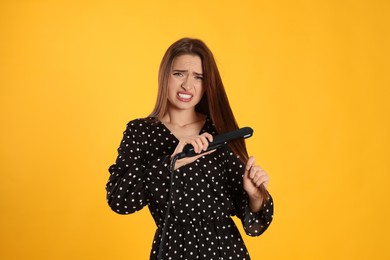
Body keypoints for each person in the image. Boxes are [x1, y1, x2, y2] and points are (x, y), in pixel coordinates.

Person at [106, 38, 274, 259]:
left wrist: (255, 195)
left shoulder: (220, 131)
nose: (187, 85)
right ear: (164, 75)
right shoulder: (141, 132)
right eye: (179, 74)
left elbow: (254, 226)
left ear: (207, 85)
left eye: (198, 77)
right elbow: (119, 199)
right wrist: (172, 163)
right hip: (173, 250)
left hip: (226, 251)